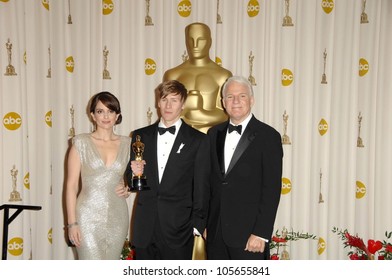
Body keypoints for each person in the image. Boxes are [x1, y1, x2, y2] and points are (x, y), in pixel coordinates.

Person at [124, 80, 210, 260]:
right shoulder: (140, 135)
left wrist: (198, 224)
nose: (168, 105)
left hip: (180, 228)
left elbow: (202, 185)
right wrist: (133, 173)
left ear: (183, 104)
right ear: (158, 102)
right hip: (145, 226)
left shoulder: (198, 140)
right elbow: (133, 181)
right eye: (164, 99)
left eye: (174, 100)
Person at [205, 76, 283, 260]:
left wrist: (261, 233)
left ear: (252, 100)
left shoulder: (268, 136)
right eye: (230, 97)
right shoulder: (213, 133)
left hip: (250, 236)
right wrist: (205, 223)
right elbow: (208, 182)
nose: (236, 101)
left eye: (242, 96)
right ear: (223, 103)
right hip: (215, 234)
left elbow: (271, 189)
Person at [65, 91, 131, 259]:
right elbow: (71, 186)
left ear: (117, 115)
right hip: (87, 216)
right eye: (100, 111)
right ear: (93, 115)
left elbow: (134, 176)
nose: (105, 116)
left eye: (110, 111)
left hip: (118, 216)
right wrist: (72, 223)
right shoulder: (80, 143)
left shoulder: (128, 144)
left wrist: (128, 188)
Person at [163, 22, 232, 133]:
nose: (195, 45)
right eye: (191, 40)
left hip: (209, 140)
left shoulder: (222, 75)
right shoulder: (173, 74)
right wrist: (185, 113)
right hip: (179, 140)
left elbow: (226, 114)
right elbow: (166, 110)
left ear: (210, 42)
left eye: (201, 40)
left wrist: (200, 114)